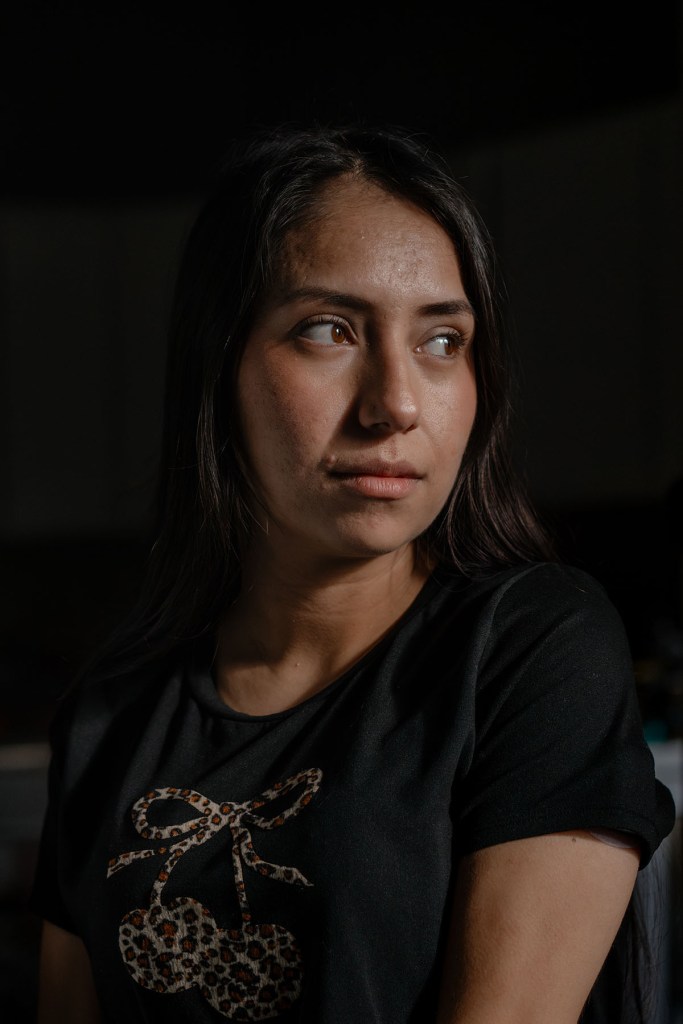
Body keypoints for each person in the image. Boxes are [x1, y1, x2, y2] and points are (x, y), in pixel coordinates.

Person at [31, 123, 675, 1024]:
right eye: (330, 330)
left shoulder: (531, 649)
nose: (397, 404)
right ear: (220, 365)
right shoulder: (112, 714)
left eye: (441, 341)